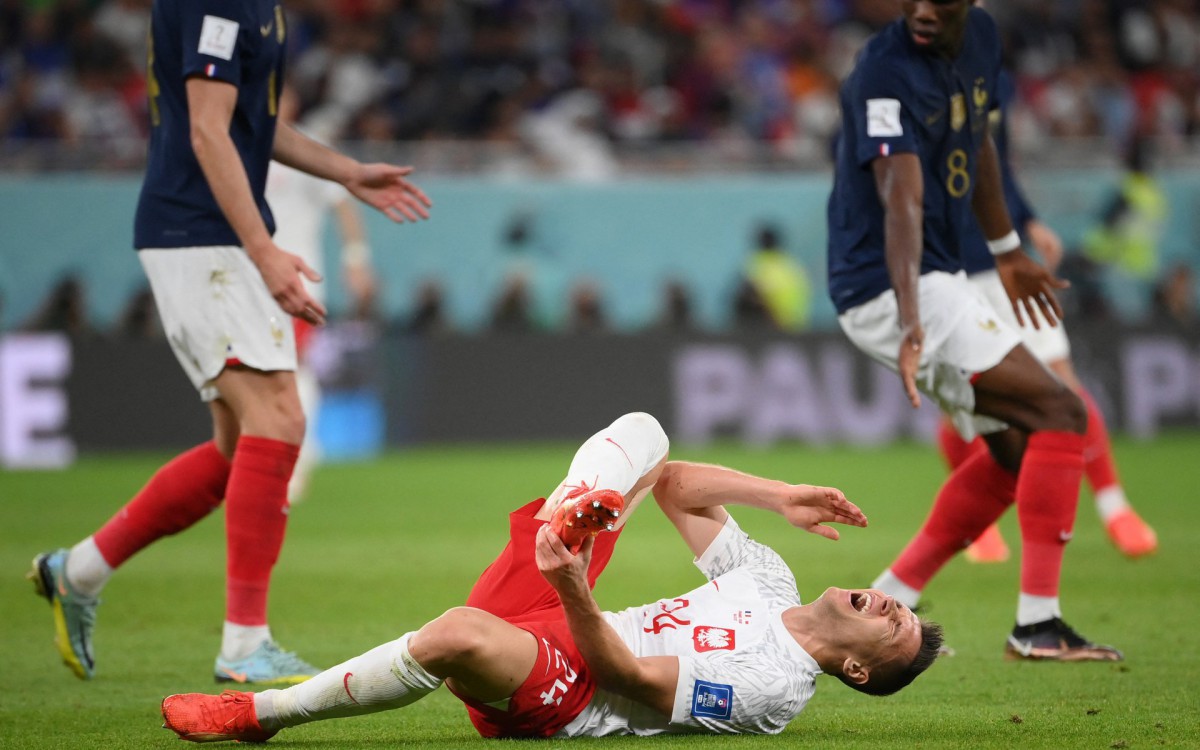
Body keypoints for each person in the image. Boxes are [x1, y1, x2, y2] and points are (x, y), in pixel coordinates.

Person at [28, 0, 432, 684]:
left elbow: (254, 124)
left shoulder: (260, 9)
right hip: (204, 236)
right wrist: (263, 249)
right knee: (280, 417)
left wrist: (345, 171)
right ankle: (245, 644)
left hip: (210, 236)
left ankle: (80, 571)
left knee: (235, 449)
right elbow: (209, 133)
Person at [160, 412, 944, 742]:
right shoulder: (770, 581)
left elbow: (629, 676)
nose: (885, 601)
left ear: (855, 666)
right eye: (896, 606)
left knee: (456, 634)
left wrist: (573, 584)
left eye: (892, 625)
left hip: (571, 687)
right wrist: (779, 495)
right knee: (647, 436)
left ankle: (257, 715)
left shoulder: (771, 689)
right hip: (561, 610)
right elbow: (672, 485)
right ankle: (576, 514)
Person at [825, 1, 1121, 660]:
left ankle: (885, 603)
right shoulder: (882, 71)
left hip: (943, 274)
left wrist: (1008, 247)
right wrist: (909, 319)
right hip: (891, 285)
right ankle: (1037, 625)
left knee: (1017, 451)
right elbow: (899, 195)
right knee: (1060, 409)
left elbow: (976, 138)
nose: (925, 9)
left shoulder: (980, 38)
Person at [944, 66, 1156, 563]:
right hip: (948, 272)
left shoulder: (989, 72)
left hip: (1009, 261)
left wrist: (1026, 219)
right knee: (963, 399)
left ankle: (1116, 508)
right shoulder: (905, 73)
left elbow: (994, 163)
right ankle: (981, 524)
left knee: (1064, 383)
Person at [265, 84, 379, 503]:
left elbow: (343, 203)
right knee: (257, 374)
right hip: (248, 281)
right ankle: (270, 458)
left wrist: (356, 258)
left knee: (294, 366)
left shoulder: (304, 150)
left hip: (298, 282)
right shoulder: (239, 146)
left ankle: (300, 458)